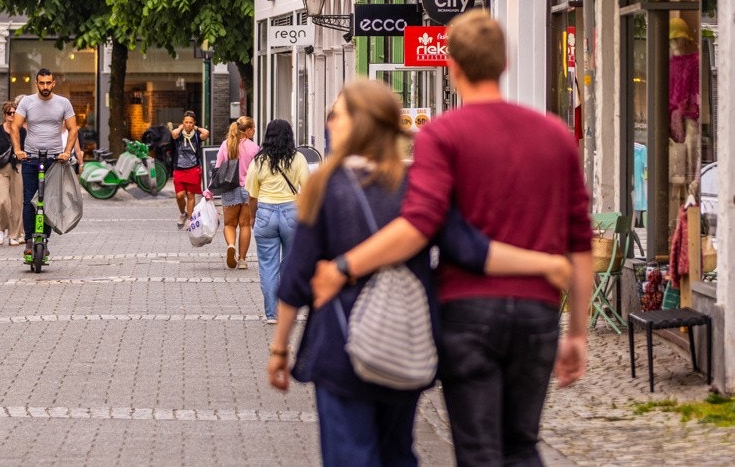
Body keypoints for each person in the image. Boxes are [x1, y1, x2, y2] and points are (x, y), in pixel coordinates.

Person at [312, 10, 593, 466]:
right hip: (538, 313)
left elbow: (420, 224)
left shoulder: (443, 135)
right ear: (503, 64)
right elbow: (579, 240)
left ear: (452, 66)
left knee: (479, 451)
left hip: (467, 313)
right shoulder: (555, 135)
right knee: (522, 444)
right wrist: (577, 330)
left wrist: (345, 267)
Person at [269, 80, 572, 467]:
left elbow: (295, 280)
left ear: (358, 124)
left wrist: (280, 348)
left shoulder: (326, 187)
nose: (331, 123)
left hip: (341, 345)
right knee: (398, 452)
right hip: (405, 344)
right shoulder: (417, 187)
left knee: (350, 455)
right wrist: (544, 263)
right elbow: (471, 250)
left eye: (336, 115)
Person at [9, 68, 78, 266]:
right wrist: (18, 150)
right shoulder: (27, 102)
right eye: (42, 83)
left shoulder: (63, 103)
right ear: (36, 83)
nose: (45, 87)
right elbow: (15, 127)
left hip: (55, 159)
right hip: (30, 157)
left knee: (49, 201)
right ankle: (30, 239)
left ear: (53, 83)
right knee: (29, 199)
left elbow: (73, 128)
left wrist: (67, 152)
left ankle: (45, 239)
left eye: (49, 83)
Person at [249, 119, 307, 322]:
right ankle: (287, 308)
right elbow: (307, 188)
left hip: (265, 212)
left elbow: (252, 195)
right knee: (290, 262)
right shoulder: (298, 158)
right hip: (291, 212)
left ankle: (272, 313)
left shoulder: (259, 160)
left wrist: (252, 216)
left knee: (267, 265)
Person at [213, 116, 258, 269]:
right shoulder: (254, 148)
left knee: (229, 224)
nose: (255, 131)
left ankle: (231, 245)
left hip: (229, 188)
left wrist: (209, 191)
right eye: (254, 128)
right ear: (249, 130)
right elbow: (258, 171)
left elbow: (218, 169)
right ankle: (243, 260)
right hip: (248, 189)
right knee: (245, 225)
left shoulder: (226, 145)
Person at [0, 101, 24, 246]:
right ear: (4, 115)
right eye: (9, 113)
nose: (12, 115)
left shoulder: (22, 131)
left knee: (17, 203)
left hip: (17, 168)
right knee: (3, 201)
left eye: (15, 113)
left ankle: (14, 234)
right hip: (0, 169)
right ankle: (1, 229)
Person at [169, 111, 210, 228]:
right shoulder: (179, 135)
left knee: (191, 194)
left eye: (191, 122)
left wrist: (196, 128)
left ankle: (189, 219)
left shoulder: (196, 135)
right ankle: (183, 213)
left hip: (193, 169)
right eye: (186, 122)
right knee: (180, 195)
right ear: (183, 122)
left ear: (194, 123)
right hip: (179, 169)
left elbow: (206, 133)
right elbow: (173, 133)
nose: (188, 125)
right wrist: (181, 127)